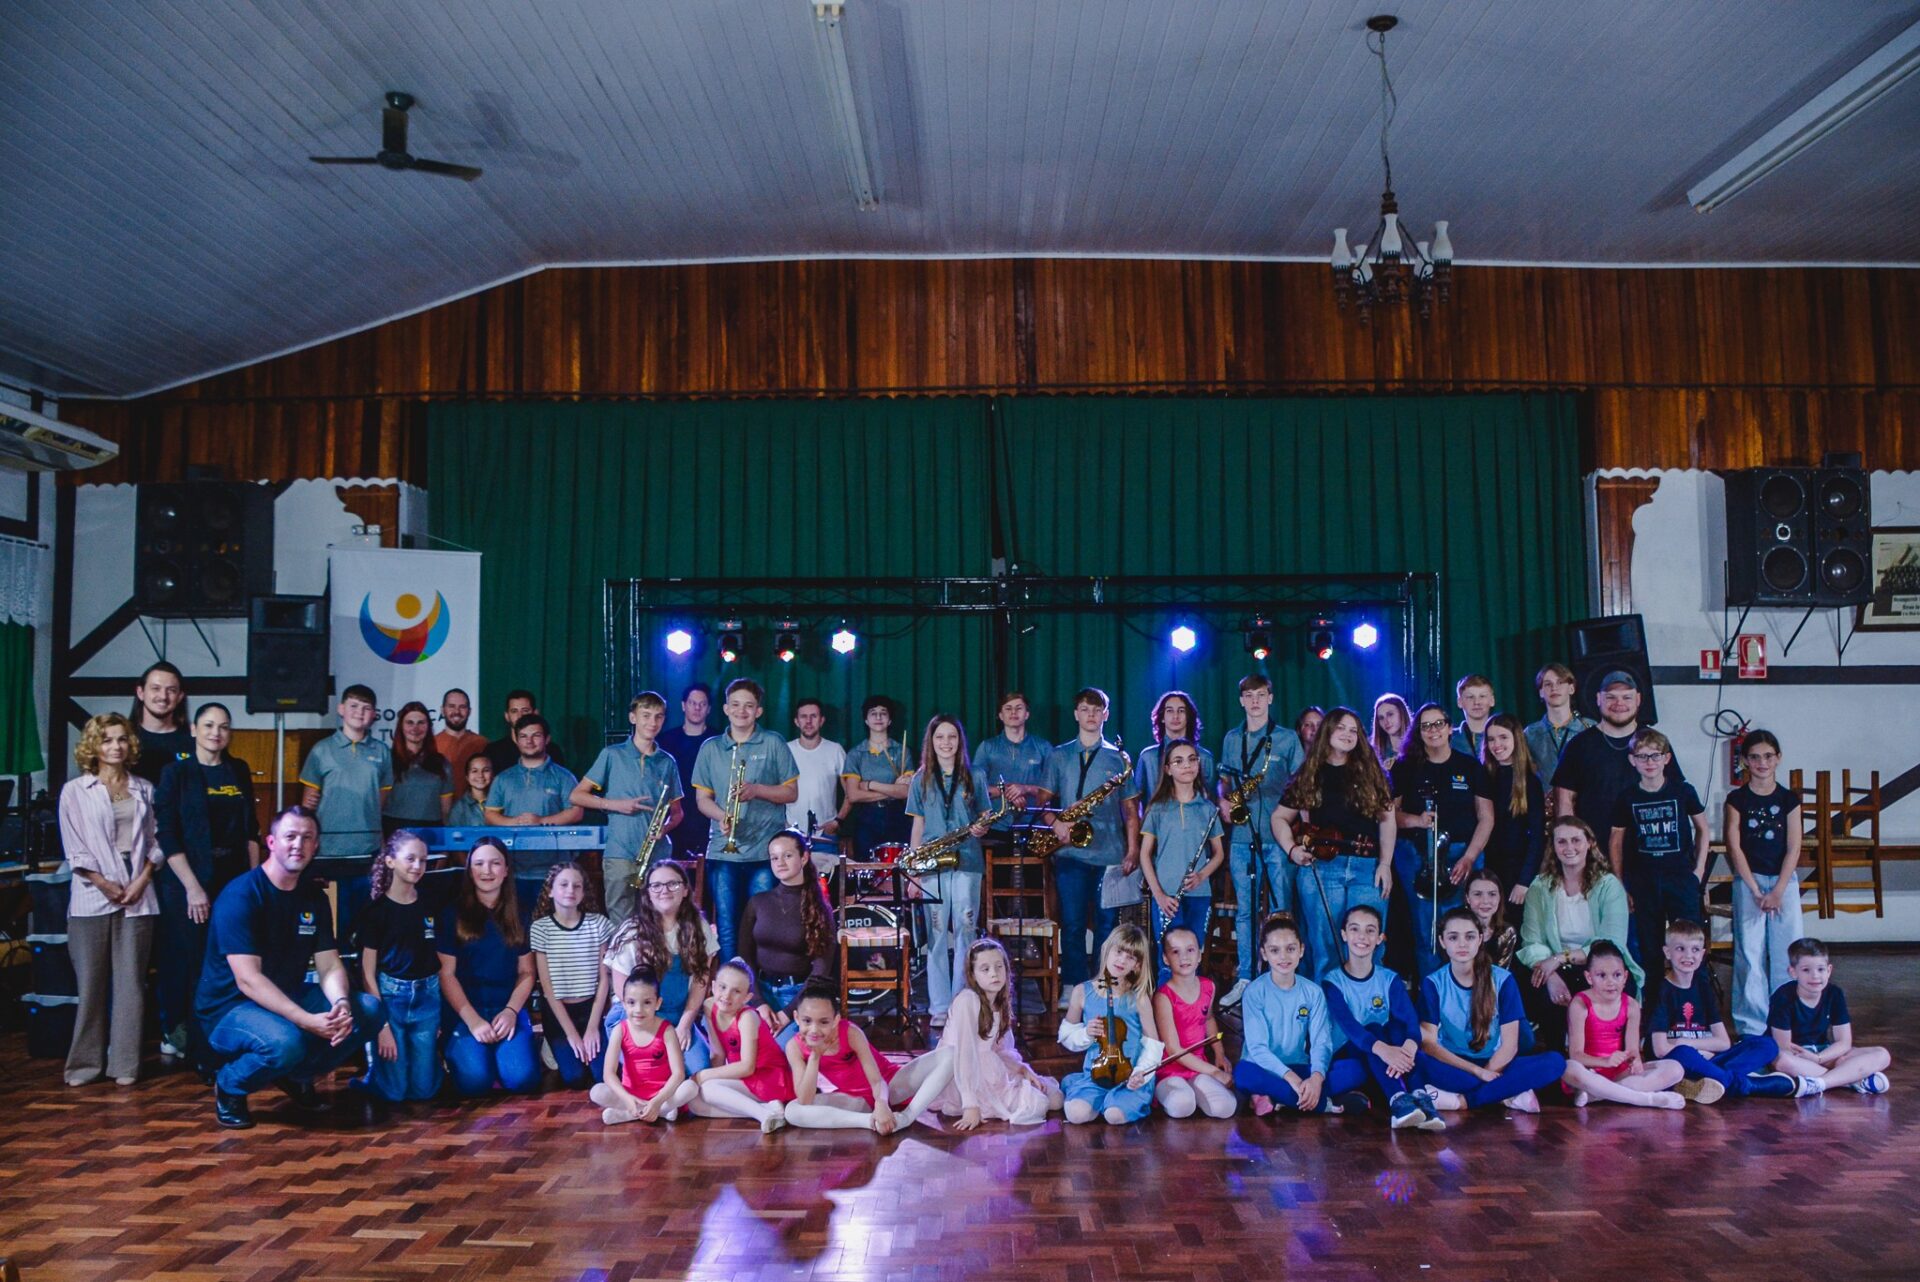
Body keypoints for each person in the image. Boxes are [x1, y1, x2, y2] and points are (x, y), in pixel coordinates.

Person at [195, 806, 384, 1129]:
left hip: (286, 997)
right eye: (290, 836)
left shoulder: (313, 896)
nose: (299, 844)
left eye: (307, 838)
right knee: (286, 1043)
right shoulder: (242, 895)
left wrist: (340, 1004)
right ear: (271, 842)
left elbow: (328, 964)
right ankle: (229, 1084)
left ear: (316, 845)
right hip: (229, 1008)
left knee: (368, 1010)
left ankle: (296, 1076)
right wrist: (306, 1020)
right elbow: (248, 980)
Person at [59, 713, 163, 1087]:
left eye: (121, 739)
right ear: (93, 746)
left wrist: (143, 878)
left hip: (138, 896)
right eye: (106, 740)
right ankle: (84, 1066)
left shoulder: (144, 789)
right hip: (91, 897)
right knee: (91, 986)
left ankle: (125, 1065)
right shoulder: (75, 791)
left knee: (131, 985)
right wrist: (103, 883)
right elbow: (74, 846)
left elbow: (157, 839)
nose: (115, 746)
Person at [153, 701, 261, 1060]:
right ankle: (189, 1040)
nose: (216, 732)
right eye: (209, 725)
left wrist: (253, 882)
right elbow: (167, 835)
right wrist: (193, 888)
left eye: (224, 726)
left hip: (232, 880)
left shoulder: (238, 769)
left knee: (230, 961)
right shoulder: (176, 773)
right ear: (194, 730)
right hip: (187, 883)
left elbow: (251, 831)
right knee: (191, 963)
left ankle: (225, 1037)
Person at [1272, 707, 1396, 981]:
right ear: (1327, 731)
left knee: (1369, 945)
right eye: (1341, 728)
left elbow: (1388, 820)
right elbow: (1279, 817)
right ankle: (1327, 1007)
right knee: (1326, 948)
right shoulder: (1310, 772)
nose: (1348, 734)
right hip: (1324, 866)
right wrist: (1292, 850)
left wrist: (1385, 864)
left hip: (1366, 866)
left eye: (1354, 730)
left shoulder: (1371, 772)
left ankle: (1368, 1006)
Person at [1417, 908, 1568, 1114]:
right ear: (1442, 942)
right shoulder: (1433, 983)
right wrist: (1478, 1072)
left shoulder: (1503, 980)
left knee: (1555, 1062)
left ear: (1480, 939)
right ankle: (1504, 1093)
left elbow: (1510, 1046)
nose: (1462, 944)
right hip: (1454, 1063)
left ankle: (1463, 1101)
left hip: (1497, 1063)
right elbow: (1429, 1044)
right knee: (1418, 1062)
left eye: (1470, 937)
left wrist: (1487, 1072)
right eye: (1453, 937)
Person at [691, 679, 800, 961]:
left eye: (749, 706)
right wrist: (722, 816)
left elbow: (791, 793)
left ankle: (758, 983)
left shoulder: (774, 742)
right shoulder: (710, 748)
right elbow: (702, 800)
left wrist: (757, 790)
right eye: (736, 705)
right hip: (723, 852)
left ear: (758, 711)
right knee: (727, 925)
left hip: (764, 852)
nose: (742, 711)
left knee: (761, 926)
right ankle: (732, 981)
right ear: (726, 709)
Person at [1045, 687, 1141, 994]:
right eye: (1085, 709)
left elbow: (1131, 811)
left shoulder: (1119, 758)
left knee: (1107, 925)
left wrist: (1133, 851)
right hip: (1070, 853)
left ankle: (1103, 984)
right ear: (1076, 714)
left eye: (1097, 710)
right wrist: (1056, 824)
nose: (1091, 715)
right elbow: (1044, 802)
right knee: (1072, 924)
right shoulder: (1058, 755)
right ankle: (1073, 985)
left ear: (1106, 715)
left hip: (1110, 853)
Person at [1390, 702, 1495, 980]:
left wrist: (1470, 857)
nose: (1433, 730)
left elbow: (1486, 818)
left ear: (1449, 728)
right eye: (1426, 726)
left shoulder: (1470, 766)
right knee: (1426, 931)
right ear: (1418, 731)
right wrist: (1416, 820)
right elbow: (1390, 816)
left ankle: (1464, 990)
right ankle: (1432, 995)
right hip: (1418, 856)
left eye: (1438, 724)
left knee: (1462, 929)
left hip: (1462, 855)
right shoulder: (1405, 767)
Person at [1218, 673, 1306, 1005]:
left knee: (1282, 909)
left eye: (1260, 695)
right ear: (1241, 701)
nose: (1255, 701)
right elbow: (1224, 781)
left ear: (1270, 698)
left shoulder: (1287, 739)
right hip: (1242, 837)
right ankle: (1246, 977)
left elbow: (1301, 787)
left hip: (1278, 837)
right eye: (1249, 696)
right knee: (1245, 912)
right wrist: (1224, 799)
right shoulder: (1231, 739)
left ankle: (1284, 977)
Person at [1515, 817, 1641, 1044]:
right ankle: (1555, 1055)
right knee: (1536, 984)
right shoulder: (1539, 887)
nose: (1569, 847)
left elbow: (1610, 943)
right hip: (1556, 968)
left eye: (1576, 840)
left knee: (1612, 985)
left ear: (1589, 843)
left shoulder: (1609, 886)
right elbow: (1531, 941)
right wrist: (1551, 975)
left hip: (1599, 965)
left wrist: (1560, 958)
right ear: (1553, 847)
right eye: (1561, 841)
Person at [1321, 904, 1448, 1130]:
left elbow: (1410, 1021)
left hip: (1387, 1060)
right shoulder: (1332, 981)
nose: (1362, 936)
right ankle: (1398, 1100)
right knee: (1373, 1028)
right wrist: (1385, 1051)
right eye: (1355, 929)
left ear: (1380, 938)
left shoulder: (1389, 978)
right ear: (1344, 935)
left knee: (1398, 1030)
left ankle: (1420, 1098)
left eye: (1370, 930)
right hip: (1351, 1051)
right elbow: (1351, 1029)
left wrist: (1409, 1046)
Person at [1647, 918, 1801, 1100]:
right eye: (1680, 949)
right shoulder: (1660, 991)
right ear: (1667, 952)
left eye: (1695, 950)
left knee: (1766, 1044)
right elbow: (1661, 1049)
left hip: (1709, 1061)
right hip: (1677, 1063)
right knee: (1684, 1053)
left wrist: (1684, 1042)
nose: (1688, 956)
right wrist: (1689, 1048)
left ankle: (1710, 1081)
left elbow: (1723, 1042)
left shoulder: (1703, 988)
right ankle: (1749, 1085)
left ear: (1702, 954)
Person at [905, 715, 994, 1026]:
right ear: (931, 742)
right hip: (932, 865)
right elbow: (918, 825)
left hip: (967, 861)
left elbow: (985, 815)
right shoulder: (920, 779)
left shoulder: (975, 775)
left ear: (960, 741)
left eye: (952, 737)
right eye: (940, 737)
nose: (946, 743)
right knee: (937, 934)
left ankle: (961, 1004)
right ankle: (940, 1007)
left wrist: (982, 827)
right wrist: (914, 870)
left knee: (966, 930)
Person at [923, 938, 1064, 1127]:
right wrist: (970, 1104)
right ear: (973, 975)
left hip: (992, 1069)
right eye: (985, 969)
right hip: (963, 1075)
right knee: (1039, 1104)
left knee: (1055, 1098)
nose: (994, 974)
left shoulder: (998, 1002)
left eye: (999, 967)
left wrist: (1022, 1069)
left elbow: (1000, 1050)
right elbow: (965, 1053)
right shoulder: (967, 1001)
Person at [436, 839, 539, 1096]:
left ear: (506, 870)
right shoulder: (451, 914)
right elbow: (446, 974)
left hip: (506, 1006)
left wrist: (511, 1011)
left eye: (495, 863)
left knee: (522, 1079)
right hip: (466, 1010)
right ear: (470, 870)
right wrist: (473, 1021)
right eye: (479, 864)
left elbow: (527, 972)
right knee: (474, 1082)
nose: (487, 871)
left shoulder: (521, 914)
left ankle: (506, 1055)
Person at [1232, 914, 1363, 1115]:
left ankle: (1280, 1097)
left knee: (1356, 1070)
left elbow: (1321, 1042)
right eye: (1274, 950)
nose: (1283, 957)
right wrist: (1292, 1079)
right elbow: (1257, 1048)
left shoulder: (1313, 992)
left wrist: (1316, 1079)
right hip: (1262, 1068)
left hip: (1299, 1065)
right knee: (1242, 1074)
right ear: (1264, 954)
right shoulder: (1254, 991)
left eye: (1290, 949)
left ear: (1301, 950)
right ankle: (1324, 1105)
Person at [572, 692, 684, 925]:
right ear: (633, 718)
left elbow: (677, 813)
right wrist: (616, 805)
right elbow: (577, 795)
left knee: (658, 921)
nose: (652, 722)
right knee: (621, 923)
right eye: (646, 715)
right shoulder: (612, 755)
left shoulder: (667, 762)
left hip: (657, 855)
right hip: (620, 853)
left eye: (658, 716)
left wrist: (664, 828)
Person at [780, 982, 954, 1131]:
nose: (814, 1029)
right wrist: (815, 1056)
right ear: (796, 1018)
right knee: (792, 1110)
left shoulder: (850, 1032)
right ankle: (870, 1122)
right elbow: (805, 1099)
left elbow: (877, 1082)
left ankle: (905, 1118)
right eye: (807, 1021)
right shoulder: (794, 1047)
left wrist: (881, 1103)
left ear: (835, 1020)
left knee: (950, 1054)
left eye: (823, 1022)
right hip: (854, 1100)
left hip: (890, 1086)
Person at [601, 859, 717, 1074]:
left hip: (678, 1015)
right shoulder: (632, 931)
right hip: (636, 1016)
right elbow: (621, 990)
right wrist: (654, 1032)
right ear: (648, 893)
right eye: (656, 885)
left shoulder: (699, 928)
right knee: (655, 1071)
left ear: (685, 890)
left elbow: (699, 983)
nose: (664, 890)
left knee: (698, 1069)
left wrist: (684, 1025)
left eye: (673, 884)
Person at [1608, 727, 1708, 976]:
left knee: (1689, 942)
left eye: (1655, 755)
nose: (1649, 762)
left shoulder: (1683, 791)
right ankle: (1653, 997)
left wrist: (1699, 870)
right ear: (1632, 760)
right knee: (1649, 946)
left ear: (1666, 758)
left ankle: (1693, 994)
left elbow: (1703, 829)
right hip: (1643, 880)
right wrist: (1620, 883)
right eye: (1642, 756)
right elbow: (1616, 840)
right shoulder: (1627, 796)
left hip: (1680, 878)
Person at [1724, 730, 1805, 1037]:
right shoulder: (1737, 800)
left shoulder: (1789, 799)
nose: (1762, 762)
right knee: (1750, 954)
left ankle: (1785, 1020)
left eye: (1768, 756)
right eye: (1755, 757)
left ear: (1778, 758)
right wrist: (1756, 891)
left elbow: (1794, 847)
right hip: (1750, 881)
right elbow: (1734, 847)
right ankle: (1752, 1026)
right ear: (1745, 761)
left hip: (1783, 881)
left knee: (1788, 953)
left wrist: (1779, 890)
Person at [354, 830, 443, 1103]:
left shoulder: (431, 902)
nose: (418, 866)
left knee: (424, 1090)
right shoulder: (376, 911)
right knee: (395, 1093)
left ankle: (434, 1065)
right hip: (391, 997)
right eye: (410, 859)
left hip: (427, 996)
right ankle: (372, 1074)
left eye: (423, 860)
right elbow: (367, 972)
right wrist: (381, 1026)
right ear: (390, 861)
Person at [299, 684, 393, 940]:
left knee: (366, 929)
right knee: (331, 928)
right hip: (329, 853)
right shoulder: (321, 750)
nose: (359, 712)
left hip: (367, 852)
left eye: (366, 708)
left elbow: (379, 802)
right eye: (354, 706)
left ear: (374, 714)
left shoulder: (382, 752)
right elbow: (308, 805)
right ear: (341, 709)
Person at [1551, 671, 1680, 853]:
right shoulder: (1579, 745)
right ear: (1598, 699)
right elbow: (1564, 800)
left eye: (1626, 697)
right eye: (1611, 697)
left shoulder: (1656, 744)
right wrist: (1573, 846)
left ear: (1638, 699)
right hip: (1595, 853)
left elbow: (1675, 797)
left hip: (1648, 854)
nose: (1619, 703)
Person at [1057, 923, 1163, 1125]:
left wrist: (1141, 1072)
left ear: (1137, 965)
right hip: (1096, 1075)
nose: (1122, 960)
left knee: (1114, 1116)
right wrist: (1086, 1034)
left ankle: (1115, 1101)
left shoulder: (1139, 998)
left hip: (1130, 1078)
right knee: (1076, 1115)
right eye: (1119, 951)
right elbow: (1066, 1034)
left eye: (1131, 957)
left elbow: (1153, 1044)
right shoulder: (1082, 991)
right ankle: (1084, 1089)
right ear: (1107, 949)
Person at [1560, 941, 1687, 1109]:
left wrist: (1635, 1061)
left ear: (1625, 977)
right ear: (1589, 977)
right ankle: (1644, 1099)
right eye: (1602, 975)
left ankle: (1596, 1095)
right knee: (1569, 1068)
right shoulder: (1580, 1004)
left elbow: (1632, 1050)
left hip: (1619, 1073)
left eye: (1617, 975)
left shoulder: (1631, 1005)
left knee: (1675, 1068)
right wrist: (1605, 1061)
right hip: (1589, 1072)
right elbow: (1576, 1055)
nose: (1610, 982)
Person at [1138, 740, 1225, 983]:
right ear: (1167, 769)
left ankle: (1190, 1005)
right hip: (1167, 897)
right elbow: (1145, 855)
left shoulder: (1208, 808)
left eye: (1192, 759)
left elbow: (1219, 853)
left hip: (1199, 894)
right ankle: (1166, 1006)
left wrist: (1201, 875)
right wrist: (1159, 895)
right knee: (1169, 959)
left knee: (1192, 957)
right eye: (1178, 761)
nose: (1187, 765)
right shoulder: (1157, 808)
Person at [736, 829, 836, 1036]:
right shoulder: (758, 902)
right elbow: (745, 957)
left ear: (804, 858)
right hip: (759, 992)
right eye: (774, 858)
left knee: (784, 1050)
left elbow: (821, 971)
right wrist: (759, 1002)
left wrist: (787, 1013)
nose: (780, 862)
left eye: (787, 855)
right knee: (751, 1045)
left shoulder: (819, 909)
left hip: (798, 997)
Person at [484, 712, 584, 909]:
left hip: (554, 872)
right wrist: (514, 822)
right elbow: (490, 815)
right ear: (516, 739)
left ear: (547, 739)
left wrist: (541, 821)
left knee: (551, 924)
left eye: (536, 735)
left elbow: (576, 812)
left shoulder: (564, 777)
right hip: (512, 871)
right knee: (515, 924)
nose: (529, 741)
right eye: (523, 736)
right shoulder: (503, 779)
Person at [1767, 937, 1892, 1095]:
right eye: (1806, 970)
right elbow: (1784, 1046)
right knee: (1782, 1060)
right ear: (1793, 972)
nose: (1815, 976)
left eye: (1820, 969)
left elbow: (1844, 1042)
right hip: (1797, 1055)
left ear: (1829, 970)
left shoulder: (1834, 994)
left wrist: (1819, 1058)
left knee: (1882, 1054)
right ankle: (1852, 1080)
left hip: (1822, 1053)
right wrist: (1810, 1058)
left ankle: (1821, 1083)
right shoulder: (1783, 996)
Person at [529, 861, 614, 1089]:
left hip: (590, 1010)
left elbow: (603, 980)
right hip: (559, 1014)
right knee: (574, 1078)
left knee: (601, 1075)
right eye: (563, 884)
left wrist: (592, 1027)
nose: (570, 890)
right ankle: (550, 1045)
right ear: (550, 891)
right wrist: (572, 1035)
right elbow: (547, 988)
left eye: (577, 886)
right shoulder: (541, 928)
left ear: (583, 892)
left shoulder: (598, 924)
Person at [689, 959, 796, 1132]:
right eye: (723, 987)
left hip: (766, 1077)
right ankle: (765, 1110)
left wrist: (703, 1076)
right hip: (743, 1076)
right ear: (714, 986)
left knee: (708, 1088)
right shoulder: (709, 1005)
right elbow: (718, 1054)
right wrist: (712, 1079)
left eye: (736, 991)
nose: (727, 996)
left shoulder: (747, 1018)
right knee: (695, 1102)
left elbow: (747, 1067)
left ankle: (763, 1114)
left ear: (747, 998)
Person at [1151, 926, 1237, 1120]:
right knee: (1182, 1105)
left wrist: (1219, 1054)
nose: (1184, 957)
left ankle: (1194, 1090)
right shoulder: (1164, 996)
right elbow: (1173, 1049)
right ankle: (1178, 1092)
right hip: (1170, 1070)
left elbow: (1209, 1018)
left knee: (1226, 1107)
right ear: (1166, 958)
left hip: (1198, 1067)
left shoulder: (1208, 986)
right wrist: (1214, 1072)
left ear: (1199, 954)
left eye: (1190, 950)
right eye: (1175, 952)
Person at [591, 971, 698, 1125]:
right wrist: (627, 1098)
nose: (638, 1009)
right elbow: (608, 1074)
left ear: (658, 1003)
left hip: (663, 1095)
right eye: (631, 1002)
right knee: (597, 1092)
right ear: (623, 1003)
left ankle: (637, 1112)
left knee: (691, 1088)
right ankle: (654, 1111)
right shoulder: (620, 1030)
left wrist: (657, 1101)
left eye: (647, 1002)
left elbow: (678, 1073)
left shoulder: (667, 1030)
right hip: (631, 1094)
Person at [971, 690, 1054, 846]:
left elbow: (1054, 789)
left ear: (1027, 714)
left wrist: (1025, 789)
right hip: (994, 828)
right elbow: (975, 789)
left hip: (1034, 826)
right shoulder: (987, 747)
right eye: (1008, 708)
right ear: (1001, 715)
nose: (1013, 712)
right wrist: (1007, 792)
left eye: (1019, 708)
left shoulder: (1043, 748)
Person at [1480, 714, 1545, 905]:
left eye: (1503, 737)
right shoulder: (1482, 776)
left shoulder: (1530, 782)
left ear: (1516, 739)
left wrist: (1524, 881)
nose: (1496, 744)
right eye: (1491, 739)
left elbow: (1537, 836)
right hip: (1486, 867)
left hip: (1517, 871)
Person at [841, 695, 914, 856]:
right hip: (867, 819)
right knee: (866, 866)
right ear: (866, 720)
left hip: (896, 816)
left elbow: (908, 792)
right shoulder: (856, 754)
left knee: (898, 865)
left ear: (890, 720)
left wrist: (870, 785)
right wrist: (893, 790)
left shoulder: (902, 751)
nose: (878, 717)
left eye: (883, 713)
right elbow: (853, 795)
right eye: (873, 713)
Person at [657, 683, 716, 857]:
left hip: (709, 818)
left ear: (709, 709)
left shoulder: (718, 741)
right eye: (692, 703)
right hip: (674, 819)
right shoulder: (665, 741)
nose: (697, 708)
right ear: (683, 706)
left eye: (702, 704)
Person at [1523, 663, 1594, 795]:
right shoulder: (1530, 734)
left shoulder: (1590, 729)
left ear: (1571, 688)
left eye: (1560, 682)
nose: (1554, 688)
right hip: (1544, 806)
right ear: (1540, 692)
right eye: (1547, 684)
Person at [384, 701, 452, 833]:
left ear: (428, 726)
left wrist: (445, 839)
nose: (415, 728)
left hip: (432, 832)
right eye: (410, 722)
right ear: (401, 726)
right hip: (394, 831)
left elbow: (446, 812)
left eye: (421, 723)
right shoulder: (387, 760)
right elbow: (377, 807)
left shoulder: (442, 763)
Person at [1134, 690, 1215, 800]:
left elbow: (1210, 799)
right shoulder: (1147, 757)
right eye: (1169, 711)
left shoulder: (1205, 757)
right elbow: (1136, 800)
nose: (1175, 716)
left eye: (1181, 711)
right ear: (1162, 717)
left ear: (1188, 716)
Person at [786, 698, 847, 840]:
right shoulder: (786, 750)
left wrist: (838, 821)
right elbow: (774, 791)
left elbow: (850, 792)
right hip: (792, 833)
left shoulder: (835, 750)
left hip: (826, 833)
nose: (808, 721)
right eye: (803, 716)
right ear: (796, 721)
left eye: (813, 716)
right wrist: (784, 824)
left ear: (821, 720)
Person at [129, 660, 190, 786]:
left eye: (171, 690)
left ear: (180, 696)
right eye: (155, 688)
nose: (163, 696)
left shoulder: (195, 741)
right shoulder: (123, 738)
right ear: (140, 693)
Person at [484, 689, 569, 774]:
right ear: (507, 716)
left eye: (525, 710)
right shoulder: (493, 751)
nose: (520, 716)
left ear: (535, 713)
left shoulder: (552, 750)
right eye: (514, 711)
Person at [1463, 871, 1519, 971]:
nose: (1485, 901)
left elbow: (1500, 973)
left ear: (1499, 897)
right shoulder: (1454, 929)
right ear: (1467, 898)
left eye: (1492, 894)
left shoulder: (1507, 932)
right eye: (1477, 894)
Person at [434, 687, 488, 788]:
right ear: (442, 710)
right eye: (451, 706)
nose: (457, 711)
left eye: (462, 707)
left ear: (469, 711)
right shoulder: (431, 744)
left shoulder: (482, 743)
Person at [1450, 674, 1497, 759]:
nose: (1477, 702)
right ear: (1459, 702)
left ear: (1492, 700)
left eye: (1482, 696)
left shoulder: (1507, 737)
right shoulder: (1448, 739)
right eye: (1470, 697)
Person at [448, 754, 493, 827]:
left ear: (492, 774)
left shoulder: (501, 802)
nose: (480, 775)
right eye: (474, 771)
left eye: (486, 770)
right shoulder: (459, 807)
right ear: (467, 777)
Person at [1372, 694, 1411, 770]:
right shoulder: (1375, 753)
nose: (1386, 722)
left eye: (1390, 714)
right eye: (1381, 718)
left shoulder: (1419, 746)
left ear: (1402, 713)